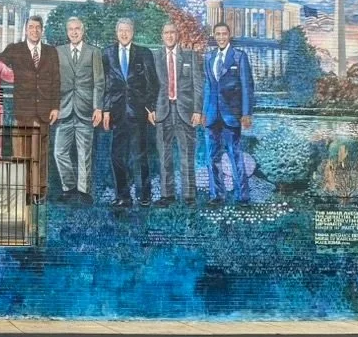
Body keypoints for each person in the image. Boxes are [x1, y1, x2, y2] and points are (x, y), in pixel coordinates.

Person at [0, 15, 60, 205]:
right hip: (22, 110)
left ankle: (39, 192)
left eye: (38, 28)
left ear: (42, 30)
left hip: (43, 111)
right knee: (20, 153)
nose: (34, 31)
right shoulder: (14, 50)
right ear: (26, 30)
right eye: (31, 27)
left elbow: (56, 81)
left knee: (40, 154)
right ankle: (21, 191)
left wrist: (55, 106)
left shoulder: (50, 52)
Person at [103, 17, 158, 207]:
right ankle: (123, 196)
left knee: (140, 155)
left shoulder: (144, 53)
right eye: (121, 31)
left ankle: (144, 195)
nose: (124, 34)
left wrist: (149, 107)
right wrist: (106, 110)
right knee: (117, 156)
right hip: (117, 113)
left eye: (127, 30)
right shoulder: (107, 53)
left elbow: (153, 83)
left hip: (138, 113)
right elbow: (105, 85)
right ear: (116, 33)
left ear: (132, 32)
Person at [54, 16, 105, 205]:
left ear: (83, 31)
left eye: (77, 29)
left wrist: (98, 107)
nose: (74, 32)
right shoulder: (58, 52)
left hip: (86, 109)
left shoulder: (94, 52)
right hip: (64, 109)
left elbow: (99, 82)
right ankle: (69, 188)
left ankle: (84, 191)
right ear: (67, 32)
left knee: (84, 153)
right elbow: (54, 82)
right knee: (59, 152)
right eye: (71, 29)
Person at [203, 22, 254, 205]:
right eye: (218, 34)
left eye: (224, 34)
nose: (221, 37)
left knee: (235, 155)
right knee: (212, 157)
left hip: (231, 115)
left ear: (229, 35)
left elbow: (247, 87)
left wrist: (246, 113)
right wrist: (203, 113)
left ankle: (243, 196)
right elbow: (208, 87)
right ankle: (216, 195)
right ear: (214, 36)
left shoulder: (239, 57)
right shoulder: (209, 57)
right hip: (212, 115)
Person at [153, 22, 203, 207]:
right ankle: (167, 195)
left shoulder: (190, 55)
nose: (169, 36)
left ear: (178, 35)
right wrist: (151, 110)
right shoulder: (156, 56)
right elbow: (151, 86)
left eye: (173, 33)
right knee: (164, 154)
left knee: (187, 154)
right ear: (162, 35)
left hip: (185, 111)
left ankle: (189, 196)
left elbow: (198, 86)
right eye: (166, 33)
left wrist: (198, 110)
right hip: (163, 111)